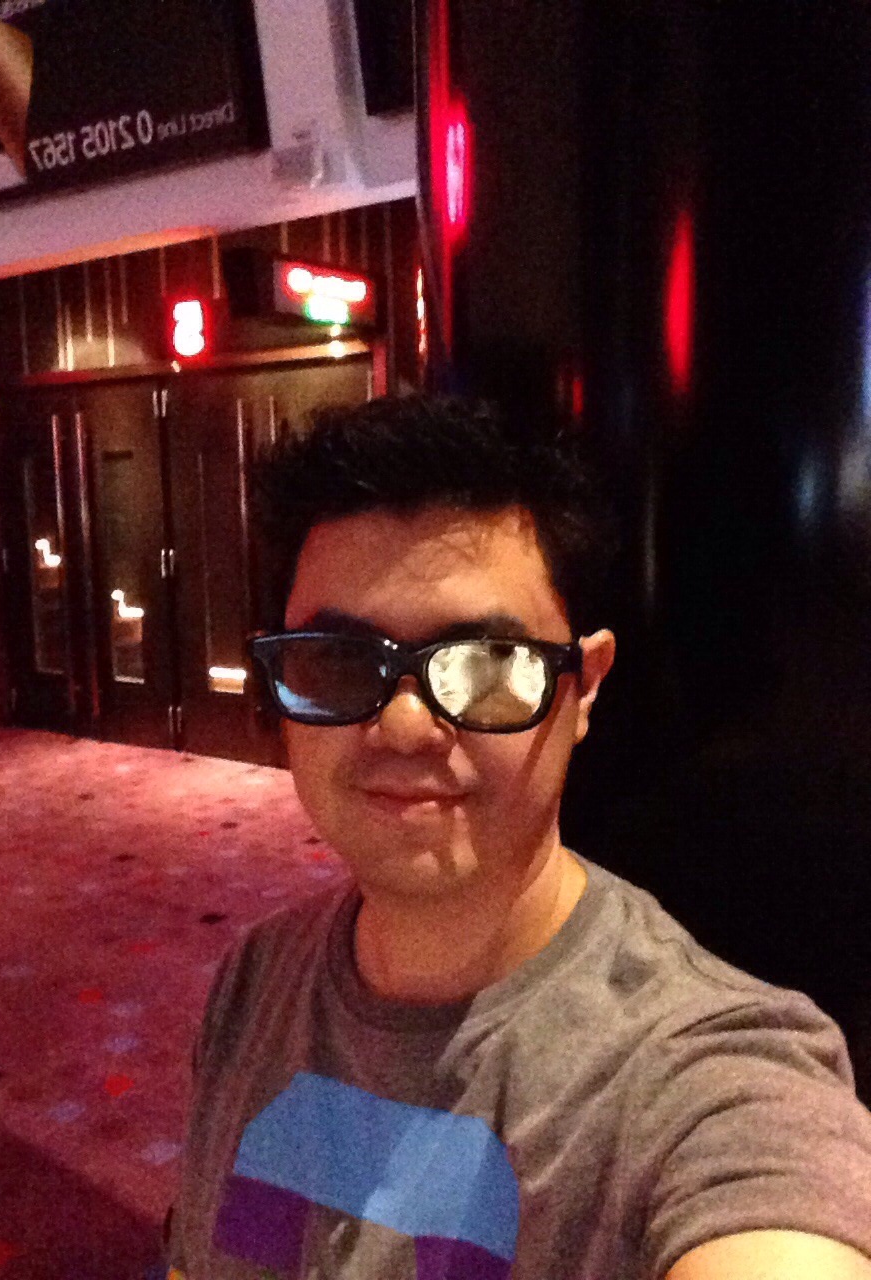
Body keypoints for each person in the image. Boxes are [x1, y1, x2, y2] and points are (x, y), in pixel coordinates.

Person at [166, 395, 871, 1280]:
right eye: (341, 661)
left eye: (487, 664)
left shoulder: (702, 1073)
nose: (406, 726)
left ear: (585, 687)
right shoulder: (255, 977)